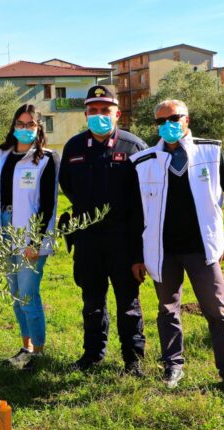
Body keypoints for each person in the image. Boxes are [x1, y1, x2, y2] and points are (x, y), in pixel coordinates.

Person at [129, 99, 224, 400]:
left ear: (187, 119)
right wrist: (137, 254)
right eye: (160, 121)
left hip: (202, 250)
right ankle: (173, 366)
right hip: (162, 251)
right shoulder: (145, 161)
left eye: (173, 118)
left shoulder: (210, 152)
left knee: (218, 311)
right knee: (167, 310)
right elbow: (133, 213)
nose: (166, 125)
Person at [58, 85, 147, 374]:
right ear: (85, 114)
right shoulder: (73, 147)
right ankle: (92, 355)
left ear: (117, 113)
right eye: (93, 111)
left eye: (105, 111)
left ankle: (133, 359)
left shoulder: (134, 147)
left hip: (124, 241)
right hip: (87, 240)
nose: (99, 116)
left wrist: (139, 252)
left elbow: (144, 200)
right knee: (92, 302)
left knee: (128, 303)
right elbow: (68, 186)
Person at [0, 104, 59, 370]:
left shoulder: (46, 158)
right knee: (16, 294)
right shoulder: (1, 154)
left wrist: (36, 242)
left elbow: (48, 205)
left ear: (39, 127)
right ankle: (25, 347)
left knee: (29, 294)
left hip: (30, 234)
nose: (25, 128)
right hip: (5, 229)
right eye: (20, 123)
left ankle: (39, 352)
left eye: (31, 124)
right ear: (13, 125)